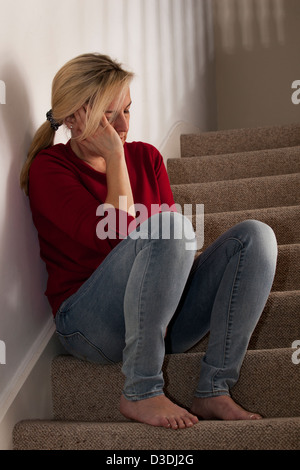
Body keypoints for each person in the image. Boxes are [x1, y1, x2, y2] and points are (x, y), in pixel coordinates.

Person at [20, 53, 278, 430]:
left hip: (158, 316)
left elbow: (172, 256)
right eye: (110, 116)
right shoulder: (50, 169)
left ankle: (214, 388)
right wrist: (114, 157)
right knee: (168, 227)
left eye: (128, 110)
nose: (123, 125)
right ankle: (141, 389)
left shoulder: (149, 158)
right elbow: (116, 235)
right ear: (74, 118)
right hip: (90, 324)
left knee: (257, 237)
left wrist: (118, 155)